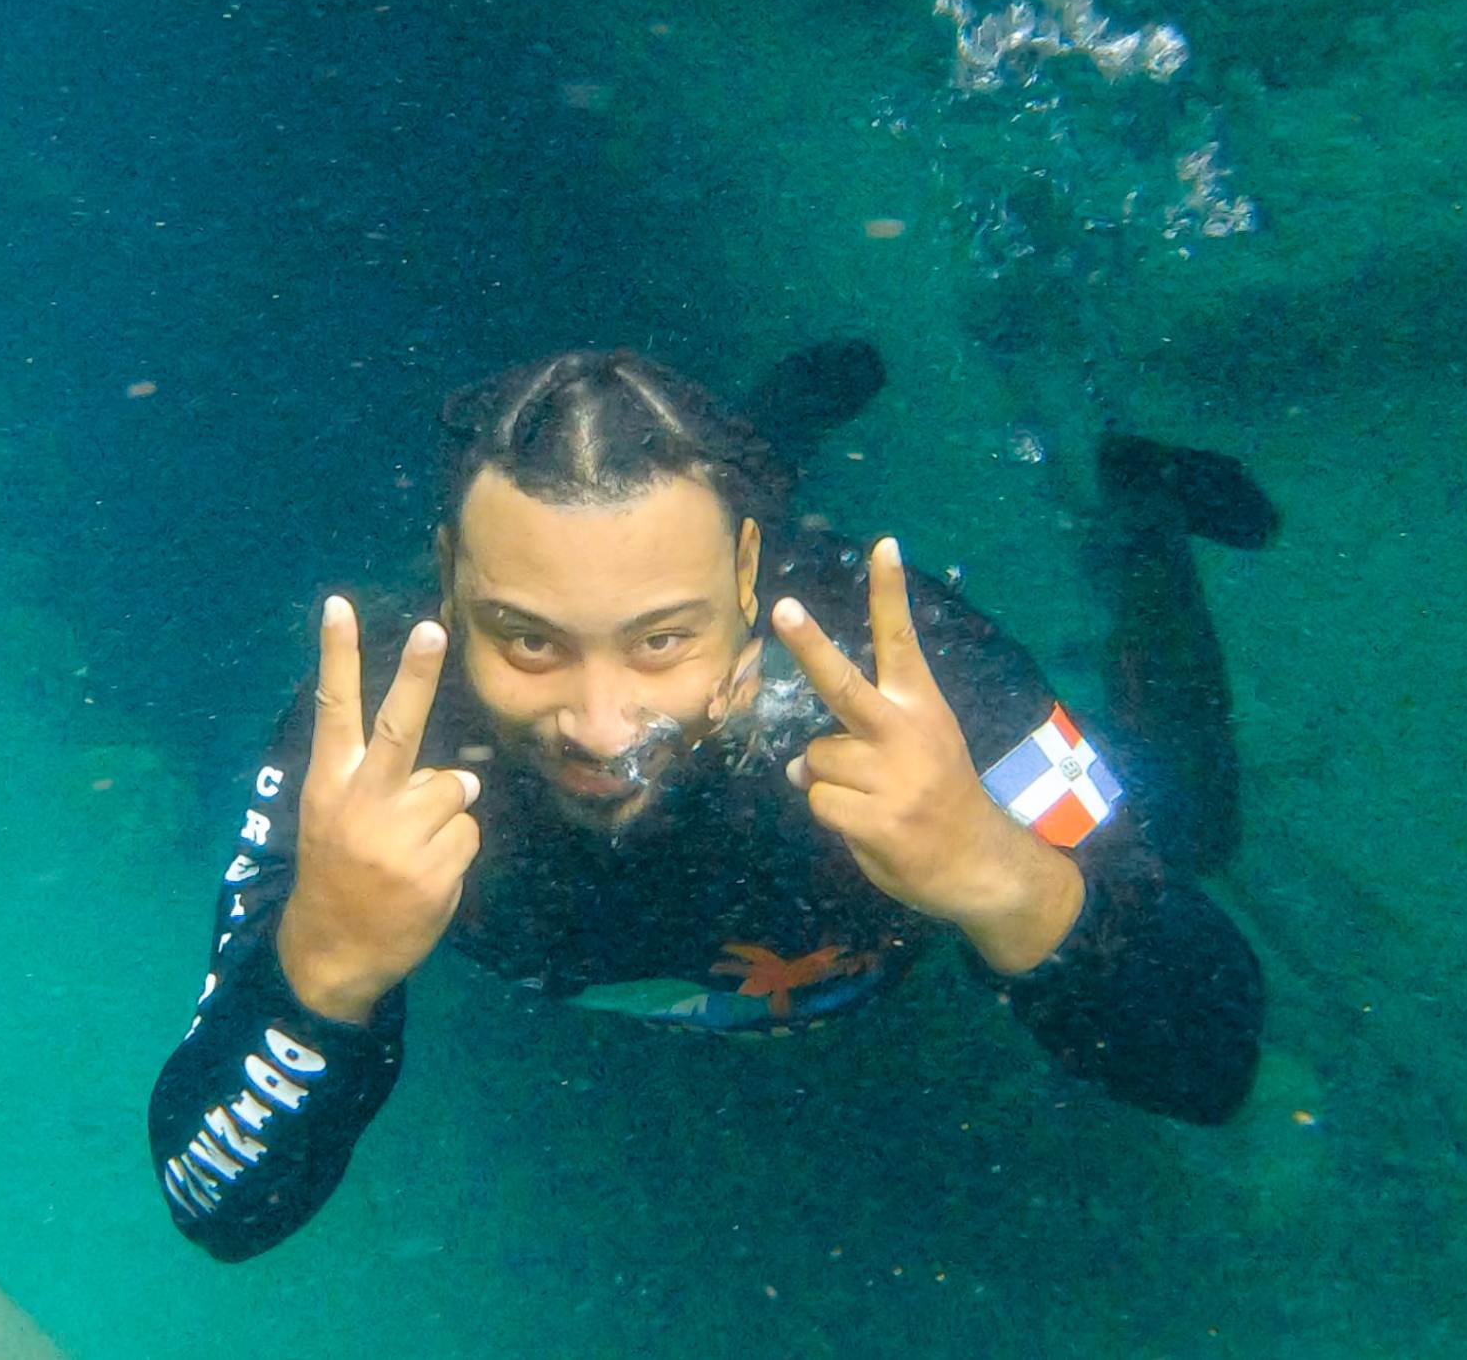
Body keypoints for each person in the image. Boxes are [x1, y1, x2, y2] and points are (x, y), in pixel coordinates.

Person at [147, 348, 1265, 1262]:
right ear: (448, 579)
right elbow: (216, 1206)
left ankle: (1143, 516)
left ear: (747, 580)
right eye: (528, 637)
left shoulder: (917, 687)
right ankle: (751, 458)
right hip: (714, 996)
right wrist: (322, 966)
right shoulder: (372, 735)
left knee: (1194, 826)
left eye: (661, 639)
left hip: (846, 989)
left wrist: (1006, 878)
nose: (600, 723)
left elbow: (1210, 1062)